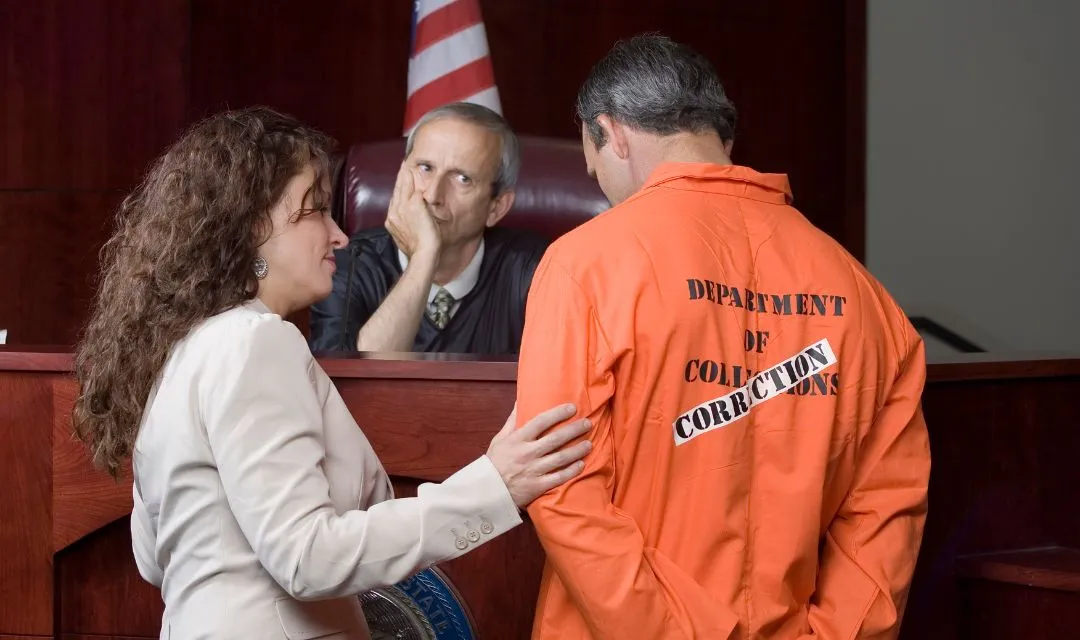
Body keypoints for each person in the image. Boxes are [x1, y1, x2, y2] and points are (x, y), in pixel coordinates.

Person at [70, 106, 592, 640]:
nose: (340, 235)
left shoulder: (180, 344)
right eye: (316, 211)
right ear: (253, 226)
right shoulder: (255, 341)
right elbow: (306, 557)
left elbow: (155, 559)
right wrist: (493, 486)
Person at [515, 35, 931, 639]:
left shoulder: (585, 264)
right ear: (722, 140)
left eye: (592, 158)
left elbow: (560, 486)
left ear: (611, 133)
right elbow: (886, 511)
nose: (593, 176)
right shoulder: (865, 294)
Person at [308, 102, 549, 355]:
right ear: (401, 174)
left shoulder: (536, 269)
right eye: (425, 168)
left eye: (462, 179)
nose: (433, 195)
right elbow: (353, 387)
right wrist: (424, 258)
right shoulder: (346, 263)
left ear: (496, 207)